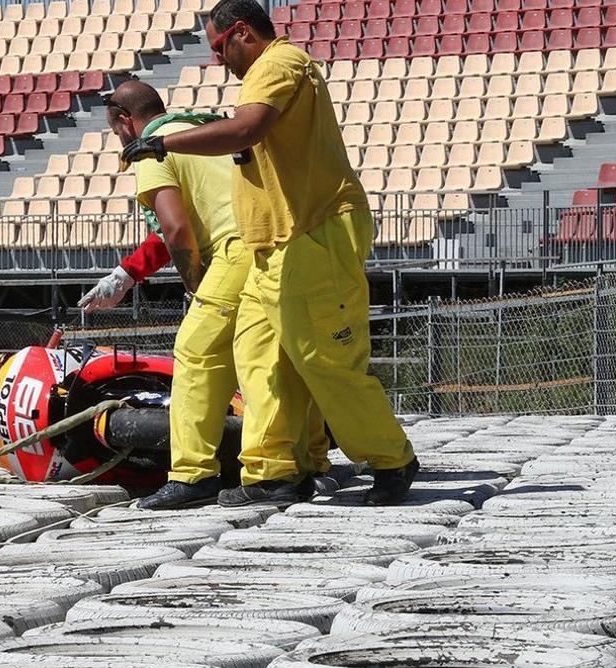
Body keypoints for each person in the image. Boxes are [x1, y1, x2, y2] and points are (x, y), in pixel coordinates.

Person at [122, 0, 418, 506]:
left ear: (241, 33)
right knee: (260, 359)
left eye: (219, 48)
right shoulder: (264, 74)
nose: (219, 61)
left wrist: (164, 146)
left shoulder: (276, 65)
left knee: (322, 358)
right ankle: (273, 472)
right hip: (269, 245)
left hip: (311, 235)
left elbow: (246, 130)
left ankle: (391, 459)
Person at [100, 80, 329, 509]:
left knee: (197, 354)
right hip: (276, 242)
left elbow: (175, 228)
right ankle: (309, 464)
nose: (120, 140)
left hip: (234, 251)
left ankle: (192, 474)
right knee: (274, 359)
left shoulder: (152, 147)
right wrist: (129, 272)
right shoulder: (201, 130)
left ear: (127, 123)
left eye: (116, 132)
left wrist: (195, 287)